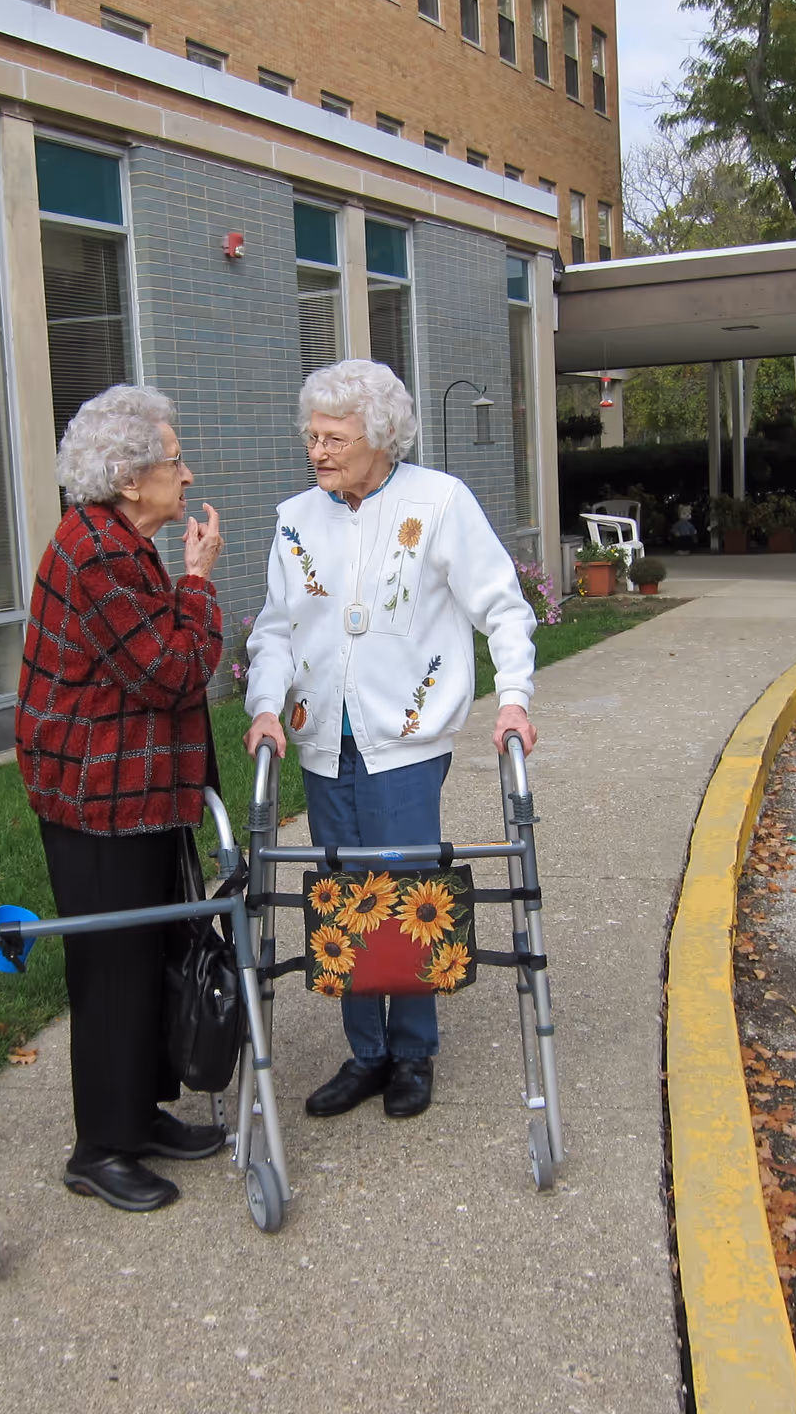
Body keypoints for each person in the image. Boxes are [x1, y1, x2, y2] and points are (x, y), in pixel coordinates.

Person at [243, 359, 539, 1121]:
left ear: (379, 437)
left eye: (334, 437)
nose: (318, 451)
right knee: (340, 888)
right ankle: (364, 1052)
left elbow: (502, 608)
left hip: (406, 735)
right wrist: (266, 706)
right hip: (319, 736)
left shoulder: (438, 503)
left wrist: (514, 699)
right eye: (312, 437)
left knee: (407, 889)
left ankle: (413, 1051)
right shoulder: (296, 519)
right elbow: (274, 630)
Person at [15, 384, 227, 1213]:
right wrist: (199, 581)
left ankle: (137, 1116)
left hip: (129, 796)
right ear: (131, 479)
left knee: (148, 959)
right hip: (95, 801)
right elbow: (172, 670)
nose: (187, 472)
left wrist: (180, 587)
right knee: (111, 970)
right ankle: (99, 1149)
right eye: (175, 461)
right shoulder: (98, 552)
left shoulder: (116, 543)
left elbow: (157, 660)